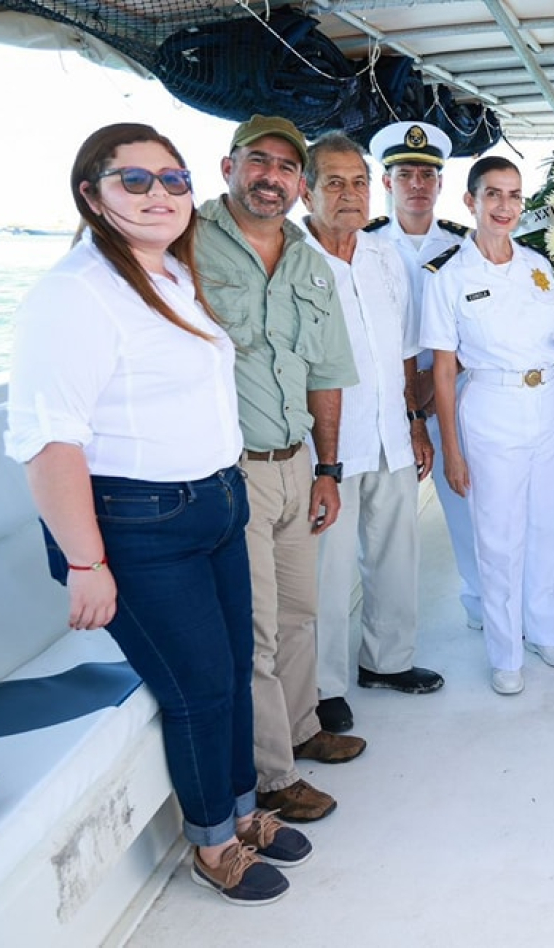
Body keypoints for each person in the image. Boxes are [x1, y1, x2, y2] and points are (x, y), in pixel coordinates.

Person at [5, 123, 310, 904]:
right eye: (133, 181)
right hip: (140, 529)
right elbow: (49, 442)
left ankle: (243, 810)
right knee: (200, 687)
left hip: (213, 502)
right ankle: (213, 844)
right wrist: (85, 562)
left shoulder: (171, 273)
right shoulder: (75, 294)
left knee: (237, 666)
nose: (159, 196)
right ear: (92, 195)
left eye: (172, 181)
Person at [196, 115, 365, 823]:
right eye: (258, 162)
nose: (271, 177)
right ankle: (271, 774)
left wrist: (327, 467)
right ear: (229, 165)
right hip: (232, 471)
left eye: (286, 168)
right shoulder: (188, 242)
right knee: (260, 628)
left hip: (297, 464)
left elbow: (326, 371)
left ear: (300, 185)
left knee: (301, 614)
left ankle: (302, 728)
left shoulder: (305, 259)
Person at [301, 132, 443, 735]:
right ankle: (323, 685)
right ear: (305, 191)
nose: (349, 194)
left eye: (358, 182)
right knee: (327, 572)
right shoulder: (291, 255)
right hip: (322, 446)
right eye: (334, 183)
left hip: (389, 429)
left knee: (395, 551)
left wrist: (416, 423)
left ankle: (387, 662)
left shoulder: (384, 255)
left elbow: (407, 350)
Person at [419, 156, 554, 696]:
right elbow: (443, 369)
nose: (504, 206)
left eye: (513, 195)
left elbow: (553, 346)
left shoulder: (537, 266)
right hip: (490, 403)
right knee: (498, 536)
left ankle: (542, 630)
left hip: (548, 401)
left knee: (544, 525)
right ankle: (505, 652)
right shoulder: (448, 276)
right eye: (492, 195)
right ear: (470, 202)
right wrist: (452, 452)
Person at [366, 121, 484, 633]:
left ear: (440, 185)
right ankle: (384, 634)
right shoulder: (364, 243)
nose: (417, 183)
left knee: (467, 506)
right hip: (382, 399)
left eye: (427, 174)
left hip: (449, 393)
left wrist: (437, 387)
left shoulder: (465, 245)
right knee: (381, 523)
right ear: (387, 183)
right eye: (404, 173)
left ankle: (484, 606)